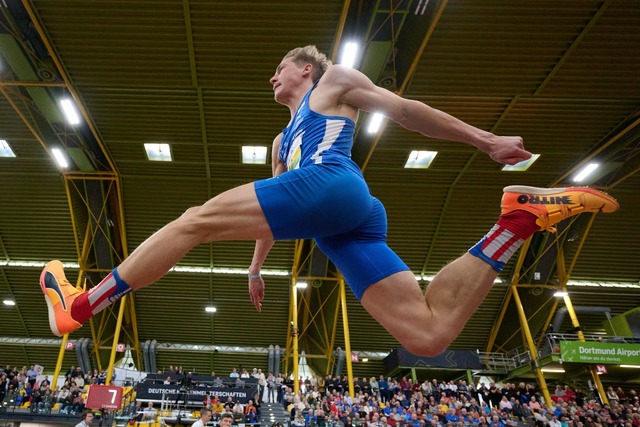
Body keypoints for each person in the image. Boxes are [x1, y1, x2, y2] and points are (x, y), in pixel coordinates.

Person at [39, 45, 619, 355]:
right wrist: (256, 267)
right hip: (339, 218)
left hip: (334, 184)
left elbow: (407, 112)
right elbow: (273, 211)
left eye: (279, 70)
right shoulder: (279, 142)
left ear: (306, 68)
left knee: (191, 221)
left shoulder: (333, 83)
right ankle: (517, 220)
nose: (272, 80)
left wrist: (483, 139)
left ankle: (82, 305)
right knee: (426, 336)